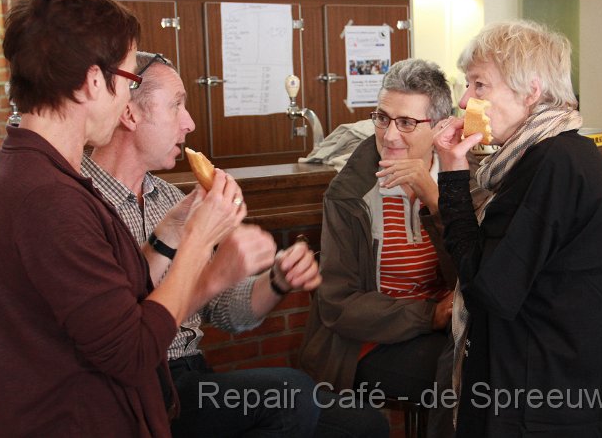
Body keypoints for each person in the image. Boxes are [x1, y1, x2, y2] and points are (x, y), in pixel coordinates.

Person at [0, 0, 267, 436]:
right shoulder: (46, 197)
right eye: (129, 81)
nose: (127, 100)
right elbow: (132, 351)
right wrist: (200, 249)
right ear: (94, 82)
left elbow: (113, 308)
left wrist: (171, 233)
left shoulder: (37, 170)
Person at [83, 51, 389, 438]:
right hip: (138, 388)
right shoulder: (81, 203)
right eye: (177, 105)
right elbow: (117, 332)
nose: (189, 122)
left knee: (364, 426)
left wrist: (276, 280)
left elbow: (226, 311)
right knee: (292, 395)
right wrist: (210, 263)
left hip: (193, 376)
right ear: (130, 113)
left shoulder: (169, 198)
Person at [432, 20, 602, 437]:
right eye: (467, 85)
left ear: (532, 91)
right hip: (565, 382)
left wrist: (452, 178)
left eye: (479, 85)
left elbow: (489, 289)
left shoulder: (550, 165)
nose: (464, 100)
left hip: (539, 398)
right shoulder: (570, 152)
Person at [300, 58, 457, 438]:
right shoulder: (349, 194)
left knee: (500, 359)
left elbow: (477, 273)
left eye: (406, 123)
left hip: (449, 330)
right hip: (363, 344)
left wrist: (437, 204)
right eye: (382, 118)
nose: (389, 135)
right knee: (463, 376)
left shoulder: (463, 179)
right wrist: (430, 315)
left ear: (440, 127)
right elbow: (338, 305)